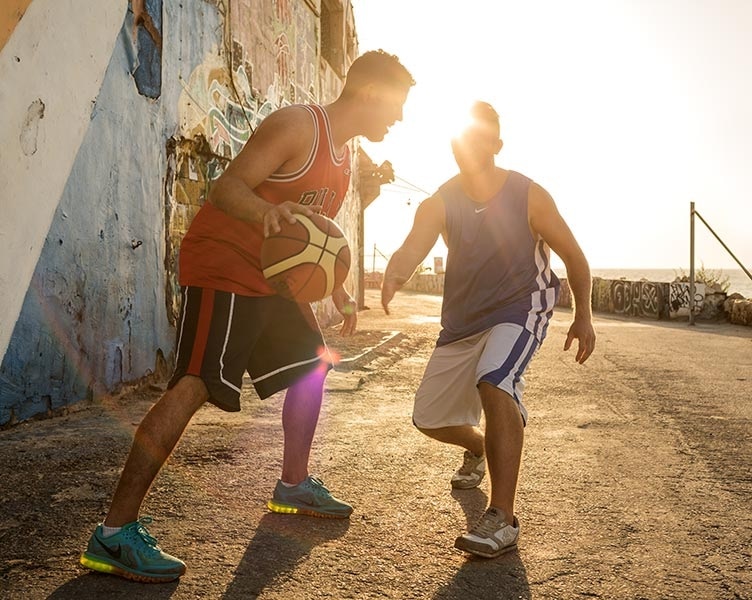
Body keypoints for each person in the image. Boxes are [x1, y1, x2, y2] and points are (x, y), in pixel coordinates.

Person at [80, 49, 414, 583]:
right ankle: (114, 533)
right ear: (371, 94)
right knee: (194, 385)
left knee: (314, 364)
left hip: (270, 279)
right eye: (395, 105)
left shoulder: (345, 159)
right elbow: (226, 188)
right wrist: (267, 212)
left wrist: (341, 290)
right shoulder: (298, 126)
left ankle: (293, 483)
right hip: (225, 265)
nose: (398, 119)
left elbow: (315, 245)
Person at [381, 101, 595, 559]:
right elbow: (411, 248)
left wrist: (584, 315)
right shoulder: (440, 200)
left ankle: (502, 517)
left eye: (480, 140)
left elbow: (574, 257)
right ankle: (481, 447)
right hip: (463, 320)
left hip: (522, 307)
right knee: (429, 417)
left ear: (496, 145)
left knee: (496, 381)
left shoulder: (528, 194)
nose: (469, 148)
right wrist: (394, 274)